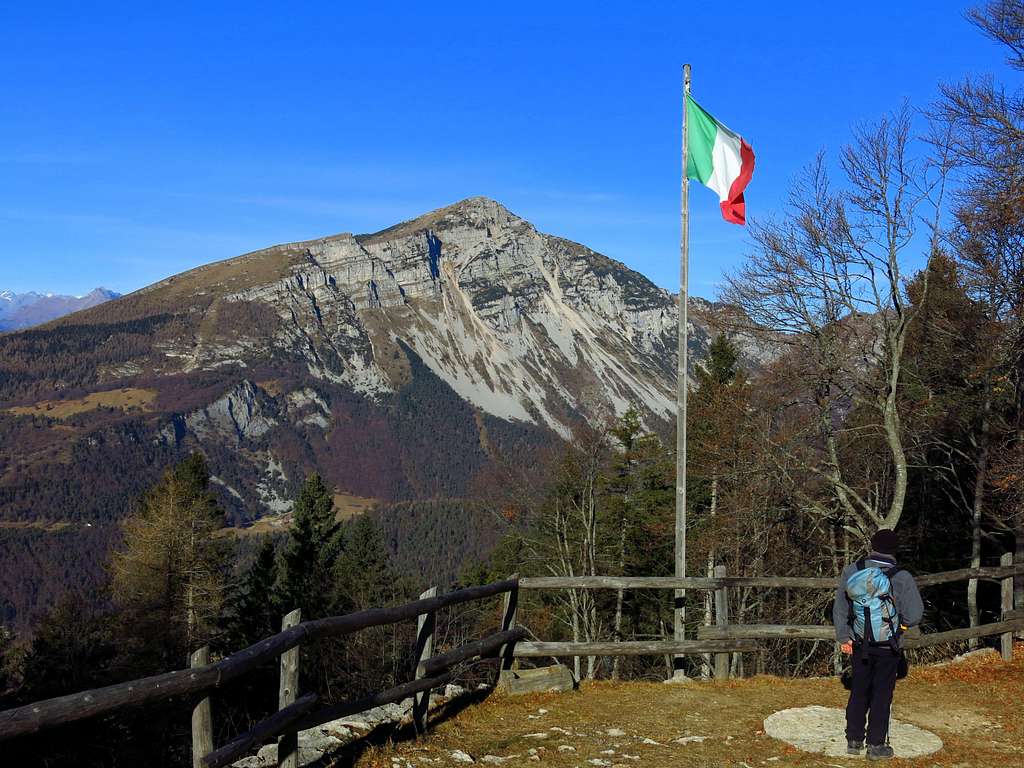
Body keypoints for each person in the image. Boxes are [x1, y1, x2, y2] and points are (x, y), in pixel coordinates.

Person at [833, 528, 923, 761]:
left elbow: (841, 608)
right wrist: (899, 627)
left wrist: (844, 637)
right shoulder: (902, 575)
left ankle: (853, 740)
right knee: (882, 694)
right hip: (888, 646)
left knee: (858, 690)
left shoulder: (853, 570)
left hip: (859, 642)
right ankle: (875, 745)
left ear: (872, 545)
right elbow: (914, 615)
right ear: (894, 549)